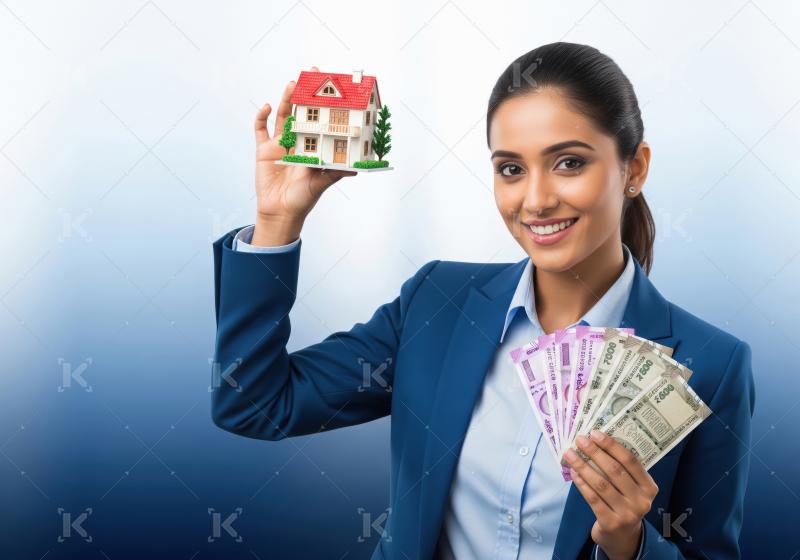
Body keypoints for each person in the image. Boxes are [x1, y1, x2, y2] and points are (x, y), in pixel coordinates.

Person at [210, 43, 755, 559]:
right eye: (511, 169)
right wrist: (277, 221)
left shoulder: (710, 365)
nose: (536, 201)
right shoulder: (436, 304)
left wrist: (630, 545)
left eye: (569, 163)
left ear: (634, 169)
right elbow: (254, 403)